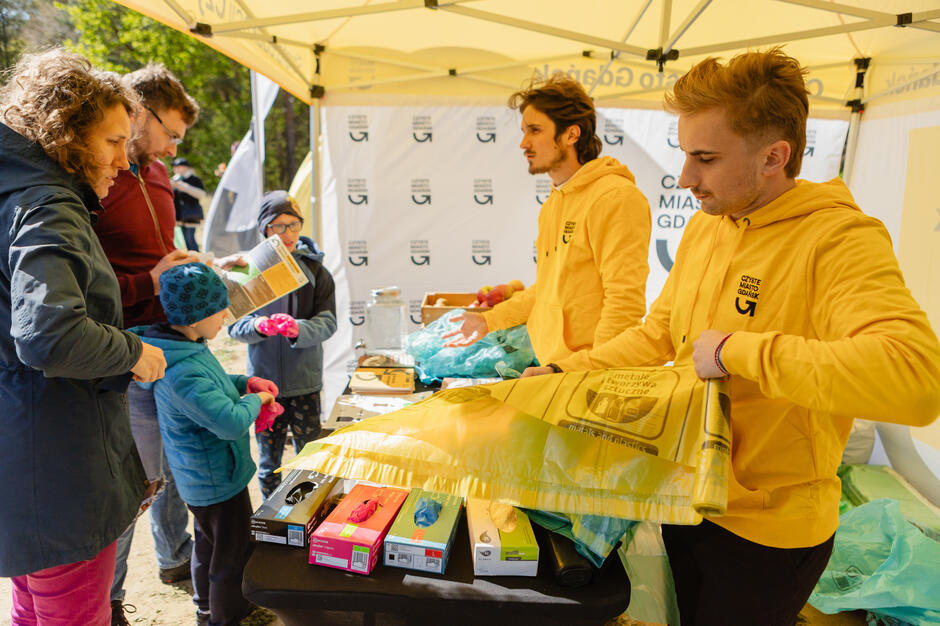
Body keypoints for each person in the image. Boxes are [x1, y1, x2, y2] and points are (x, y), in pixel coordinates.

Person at [522, 48, 940, 624]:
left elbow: (914, 378)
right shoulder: (707, 225)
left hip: (770, 534)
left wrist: (737, 350)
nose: (687, 178)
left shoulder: (839, 239)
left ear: (775, 155)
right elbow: (659, 334)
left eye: (706, 158)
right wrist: (566, 374)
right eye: (685, 154)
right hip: (692, 500)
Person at [0, 48, 166, 625]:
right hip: (60, 468)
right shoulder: (49, 206)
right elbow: (48, 333)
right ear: (67, 137)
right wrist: (135, 353)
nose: (126, 159)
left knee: (33, 608)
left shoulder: (16, 195)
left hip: (24, 456)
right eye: (114, 142)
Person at [91, 62, 201, 624]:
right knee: (132, 481)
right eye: (171, 133)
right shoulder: (94, 176)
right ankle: (107, 602)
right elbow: (86, 281)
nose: (172, 147)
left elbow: (159, 248)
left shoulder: (155, 172)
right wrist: (148, 282)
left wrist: (185, 268)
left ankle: (175, 558)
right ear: (139, 111)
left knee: (175, 466)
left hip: (171, 338)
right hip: (122, 347)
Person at [443, 73, 651, 368]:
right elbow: (547, 290)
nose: (524, 143)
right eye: (524, 131)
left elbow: (624, 303)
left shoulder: (615, 197)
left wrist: (594, 374)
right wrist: (488, 321)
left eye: (535, 130)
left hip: (588, 376)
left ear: (571, 134)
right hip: (557, 371)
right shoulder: (555, 203)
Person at [132, 262, 279, 626]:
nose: (227, 314)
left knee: (208, 545)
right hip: (216, 480)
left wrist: (244, 382)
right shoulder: (183, 369)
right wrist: (256, 402)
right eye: (220, 308)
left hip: (205, 477)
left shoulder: (186, 347)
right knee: (232, 553)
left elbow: (212, 384)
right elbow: (229, 423)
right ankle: (226, 617)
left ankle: (206, 607)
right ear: (196, 316)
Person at [228, 190, 337, 498]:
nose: (287, 234)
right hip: (264, 388)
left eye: (294, 225)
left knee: (311, 462)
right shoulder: (248, 269)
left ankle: (311, 519)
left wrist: (297, 329)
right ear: (265, 229)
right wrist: (258, 326)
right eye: (278, 226)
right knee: (268, 464)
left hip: (305, 385)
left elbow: (329, 323)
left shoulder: (316, 271)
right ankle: (270, 527)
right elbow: (235, 327)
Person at [171, 156, 207, 251]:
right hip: (179, 215)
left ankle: (197, 259)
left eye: (178, 166)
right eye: (175, 167)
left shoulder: (194, 179)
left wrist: (185, 187)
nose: (176, 169)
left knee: (190, 239)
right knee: (184, 241)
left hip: (190, 214)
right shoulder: (174, 180)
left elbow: (201, 194)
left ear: (185, 167)